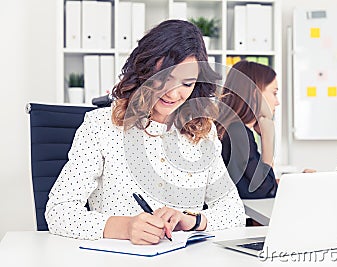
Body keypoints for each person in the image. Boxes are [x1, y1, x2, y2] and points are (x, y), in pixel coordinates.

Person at [45, 19, 245, 245]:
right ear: (145, 71)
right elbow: (59, 211)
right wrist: (126, 227)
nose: (173, 93)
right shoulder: (100, 126)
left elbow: (234, 213)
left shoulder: (202, 134)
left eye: (187, 84)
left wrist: (192, 220)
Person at [216, 60, 279, 199]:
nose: (277, 102)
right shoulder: (238, 132)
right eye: (274, 93)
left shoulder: (230, 127)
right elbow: (263, 190)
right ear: (256, 94)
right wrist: (267, 138)